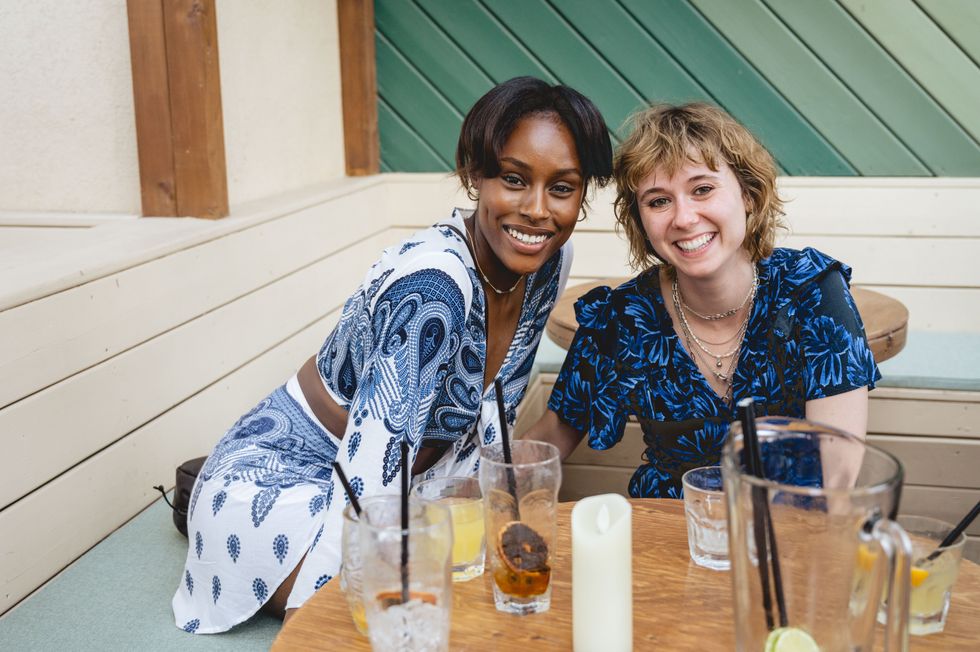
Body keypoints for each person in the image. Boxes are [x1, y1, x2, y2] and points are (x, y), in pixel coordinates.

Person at [172, 76, 612, 633]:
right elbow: (368, 479)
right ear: (474, 175)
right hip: (285, 479)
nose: (536, 210)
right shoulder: (432, 290)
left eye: (563, 188)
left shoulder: (551, 258)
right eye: (513, 179)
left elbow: (494, 413)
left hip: (423, 480)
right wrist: (349, 607)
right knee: (410, 608)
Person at [528, 102, 879, 498]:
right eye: (659, 200)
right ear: (641, 220)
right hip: (666, 534)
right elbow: (551, 437)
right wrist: (474, 497)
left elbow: (838, 479)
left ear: (747, 193)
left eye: (702, 189)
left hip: (791, 532)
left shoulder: (812, 292)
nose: (683, 218)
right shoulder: (623, 317)